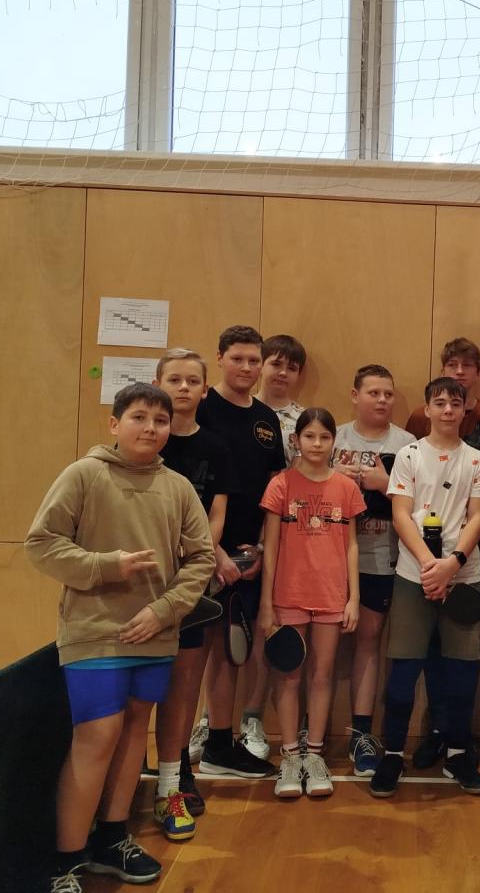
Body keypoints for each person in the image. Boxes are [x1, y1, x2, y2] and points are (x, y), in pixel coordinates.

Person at [26, 383, 214, 893]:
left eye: (160, 420)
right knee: (98, 736)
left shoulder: (178, 488)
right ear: (115, 424)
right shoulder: (84, 475)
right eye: (139, 417)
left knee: (134, 732)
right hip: (96, 634)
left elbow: (201, 558)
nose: (150, 428)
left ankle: (112, 838)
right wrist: (105, 566)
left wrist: (164, 610)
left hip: (155, 634)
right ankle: (65, 861)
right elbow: (41, 543)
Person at [369, 376, 480, 798]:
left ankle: (457, 754)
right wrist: (428, 565)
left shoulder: (477, 460)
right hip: (413, 576)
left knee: (461, 672)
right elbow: (401, 514)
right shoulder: (408, 455)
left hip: (464, 577)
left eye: (455, 403)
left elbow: (478, 517)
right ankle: (392, 754)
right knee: (403, 671)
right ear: (427, 409)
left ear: (465, 409)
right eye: (439, 403)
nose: (448, 410)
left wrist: (452, 563)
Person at [402, 336, 480, 768]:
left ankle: (459, 742)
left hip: (467, 558)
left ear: (478, 373)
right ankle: (434, 733)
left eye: (467, 365)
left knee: (462, 655)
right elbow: (412, 489)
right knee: (428, 652)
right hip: (421, 558)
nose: (459, 372)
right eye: (451, 365)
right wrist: (430, 563)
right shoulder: (417, 420)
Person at [258, 407, 366, 799]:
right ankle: (290, 757)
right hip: (288, 595)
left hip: (331, 596)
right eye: (309, 436)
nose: (317, 444)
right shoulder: (281, 485)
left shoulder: (347, 488)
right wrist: (266, 603)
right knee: (288, 675)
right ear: (296, 440)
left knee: (322, 675)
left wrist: (353, 598)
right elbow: (270, 548)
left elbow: (351, 545)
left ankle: (315, 755)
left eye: (324, 437)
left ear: (334, 441)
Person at [194, 325, 286, 777]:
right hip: (199, 553)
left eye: (254, 360)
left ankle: (219, 744)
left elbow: (274, 492)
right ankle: (176, 755)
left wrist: (263, 549)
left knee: (230, 652)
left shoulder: (267, 420)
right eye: (238, 359)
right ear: (220, 359)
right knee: (189, 655)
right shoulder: (200, 409)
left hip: (247, 558)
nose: (247, 367)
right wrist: (212, 551)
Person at [149, 349, 232, 839]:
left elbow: (215, 515)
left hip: (191, 581)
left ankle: (176, 772)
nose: (183, 388)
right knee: (141, 689)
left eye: (192, 381)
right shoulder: (144, 444)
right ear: (157, 382)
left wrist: (197, 557)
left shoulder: (215, 447)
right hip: (144, 583)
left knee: (183, 688)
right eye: (174, 379)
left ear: (205, 389)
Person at [331, 364, 416, 775]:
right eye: (373, 392)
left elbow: (419, 502)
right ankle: (310, 733)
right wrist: (335, 478)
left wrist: (383, 484)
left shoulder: (407, 444)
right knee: (322, 649)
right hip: (327, 561)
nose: (382, 400)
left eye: (388, 393)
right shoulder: (332, 437)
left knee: (368, 642)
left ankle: (361, 733)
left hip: (381, 558)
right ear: (355, 395)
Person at [257, 334, 307, 464]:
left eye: (291, 368)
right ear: (260, 365)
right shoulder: (242, 408)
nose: (283, 373)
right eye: (276, 364)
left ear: (298, 374)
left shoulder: (305, 419)